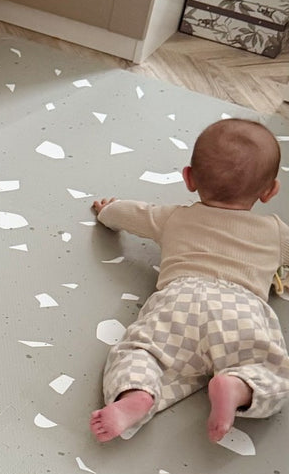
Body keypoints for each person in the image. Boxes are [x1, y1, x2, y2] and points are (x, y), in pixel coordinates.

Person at [89, 117, 289, 444]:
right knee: (272, 371)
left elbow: (128, 214)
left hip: (179, 301)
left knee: (142, 352)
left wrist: (106, 210)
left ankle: (135, 394)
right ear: (270, 192)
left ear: (189, 178)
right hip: (242, 309)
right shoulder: (275, 232)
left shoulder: (173, 218)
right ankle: (238, 386)